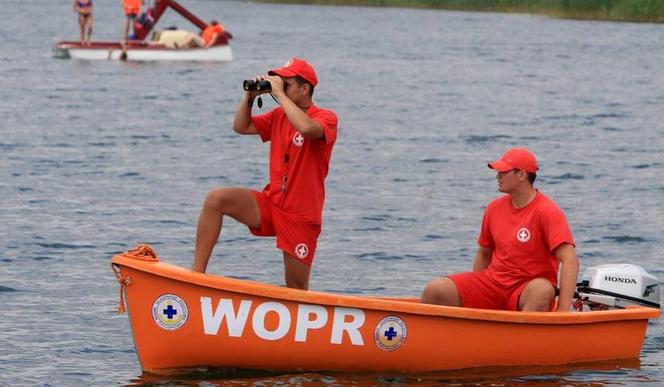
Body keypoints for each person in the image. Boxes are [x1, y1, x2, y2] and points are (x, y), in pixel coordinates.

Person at [192, 58, 338, 290]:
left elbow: (307, 128)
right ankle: (196, 278)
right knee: (216, 199)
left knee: (296, 288)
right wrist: (249, 98)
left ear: (304, 88)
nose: (280, 87)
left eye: (286, 84)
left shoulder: (326, 117)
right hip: (272, 203)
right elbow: (241, 126)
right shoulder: (279, 116)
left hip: (300, 215)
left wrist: (279, 95)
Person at [421, 147, 579, 312]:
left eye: (504, 171)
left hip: (527, 288)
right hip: (494, 283)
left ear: (522, 175)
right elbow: (484, 253)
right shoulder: (494, 208)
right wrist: (475, 302)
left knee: (542, 290)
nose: (498, 175)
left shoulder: (548, 212)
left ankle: (524, 334)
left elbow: (570, 260)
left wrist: (562, 309)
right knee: (436, 289)